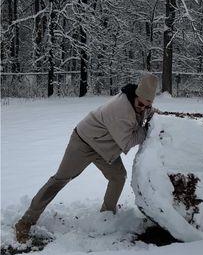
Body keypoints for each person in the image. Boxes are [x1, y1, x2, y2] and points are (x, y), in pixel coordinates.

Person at [15, 73, 158, 243]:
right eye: (141, 104)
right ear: (135, 96)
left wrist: (156, 117)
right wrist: (147, 130)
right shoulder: (121, 110)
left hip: (104, 147)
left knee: (118, 177)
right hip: (83, 143)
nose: (143, 108)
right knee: (60, 179)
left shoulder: (140, 103)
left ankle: (107, 216)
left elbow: (145, 113)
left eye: (147, 105)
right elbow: (127, 142)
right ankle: (26, 221)